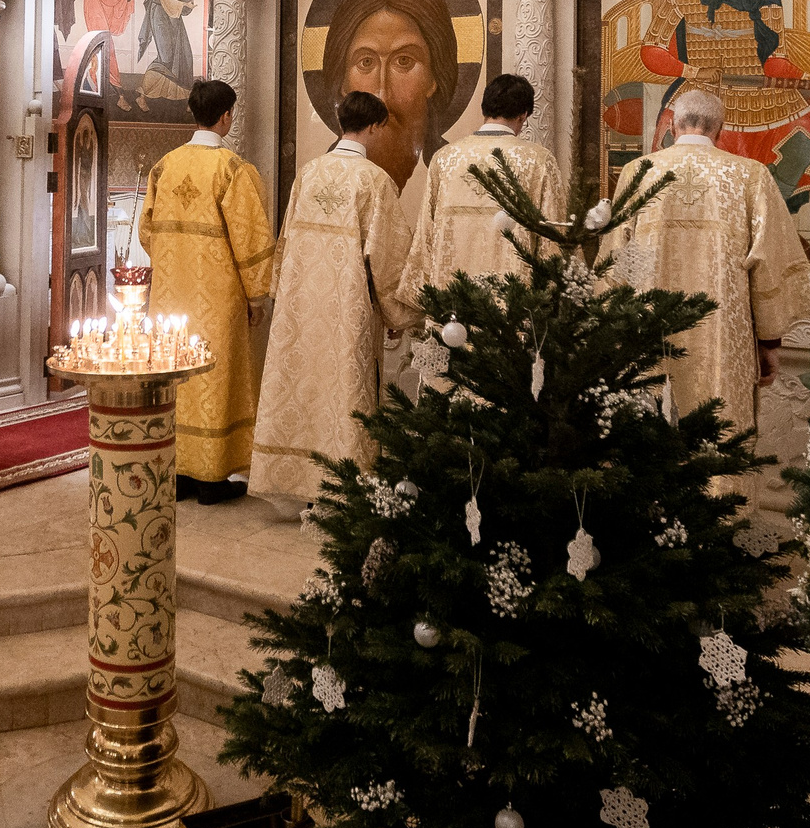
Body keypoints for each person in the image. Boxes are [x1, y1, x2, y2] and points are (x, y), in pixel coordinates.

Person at [602, 88, 810, 434]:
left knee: (652, 437)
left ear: (673, 127)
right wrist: (768, 344)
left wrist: (616, 330)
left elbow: (620, 259)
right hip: (725, 335)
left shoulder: (638, 171)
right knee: (720, 436)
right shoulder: (749, 176)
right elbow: (768, 263)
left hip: (651, 331)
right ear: (719, 131)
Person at [252, 92, 416, 505]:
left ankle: (301, 481)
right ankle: (344, 483)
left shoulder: (308, 173)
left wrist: (280, 295)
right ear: (375, 127)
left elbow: (285, 241)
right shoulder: (375, 180)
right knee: (344, 388)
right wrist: (400, 310)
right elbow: (389, 256)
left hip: (300, 306)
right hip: (349, 309)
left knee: (303, 386)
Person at [139, 79, 277, 502]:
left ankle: (176, 473)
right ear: (225, 116)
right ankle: (212, 479)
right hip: (218, 300)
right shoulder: (233, 170)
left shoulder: (165, 165)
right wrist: (257, 296)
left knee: (175, 376)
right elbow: (251, 240)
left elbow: (146, 232)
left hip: (168, 297)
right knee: (215, 379)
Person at [393, 72, 564, 316]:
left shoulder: (445, 159)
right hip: (511, 309)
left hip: (452, 305)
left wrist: (419, 302)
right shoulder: (537, 162)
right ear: (523, 115)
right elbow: (552, 239)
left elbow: (426, 235)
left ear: (485, 110)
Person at [321, 0, 460, 192]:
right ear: (343, 82)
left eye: (404, 61)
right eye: (366, 62)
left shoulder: (454, 181)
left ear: (435, 77)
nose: (382, 94)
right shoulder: (318, 178)